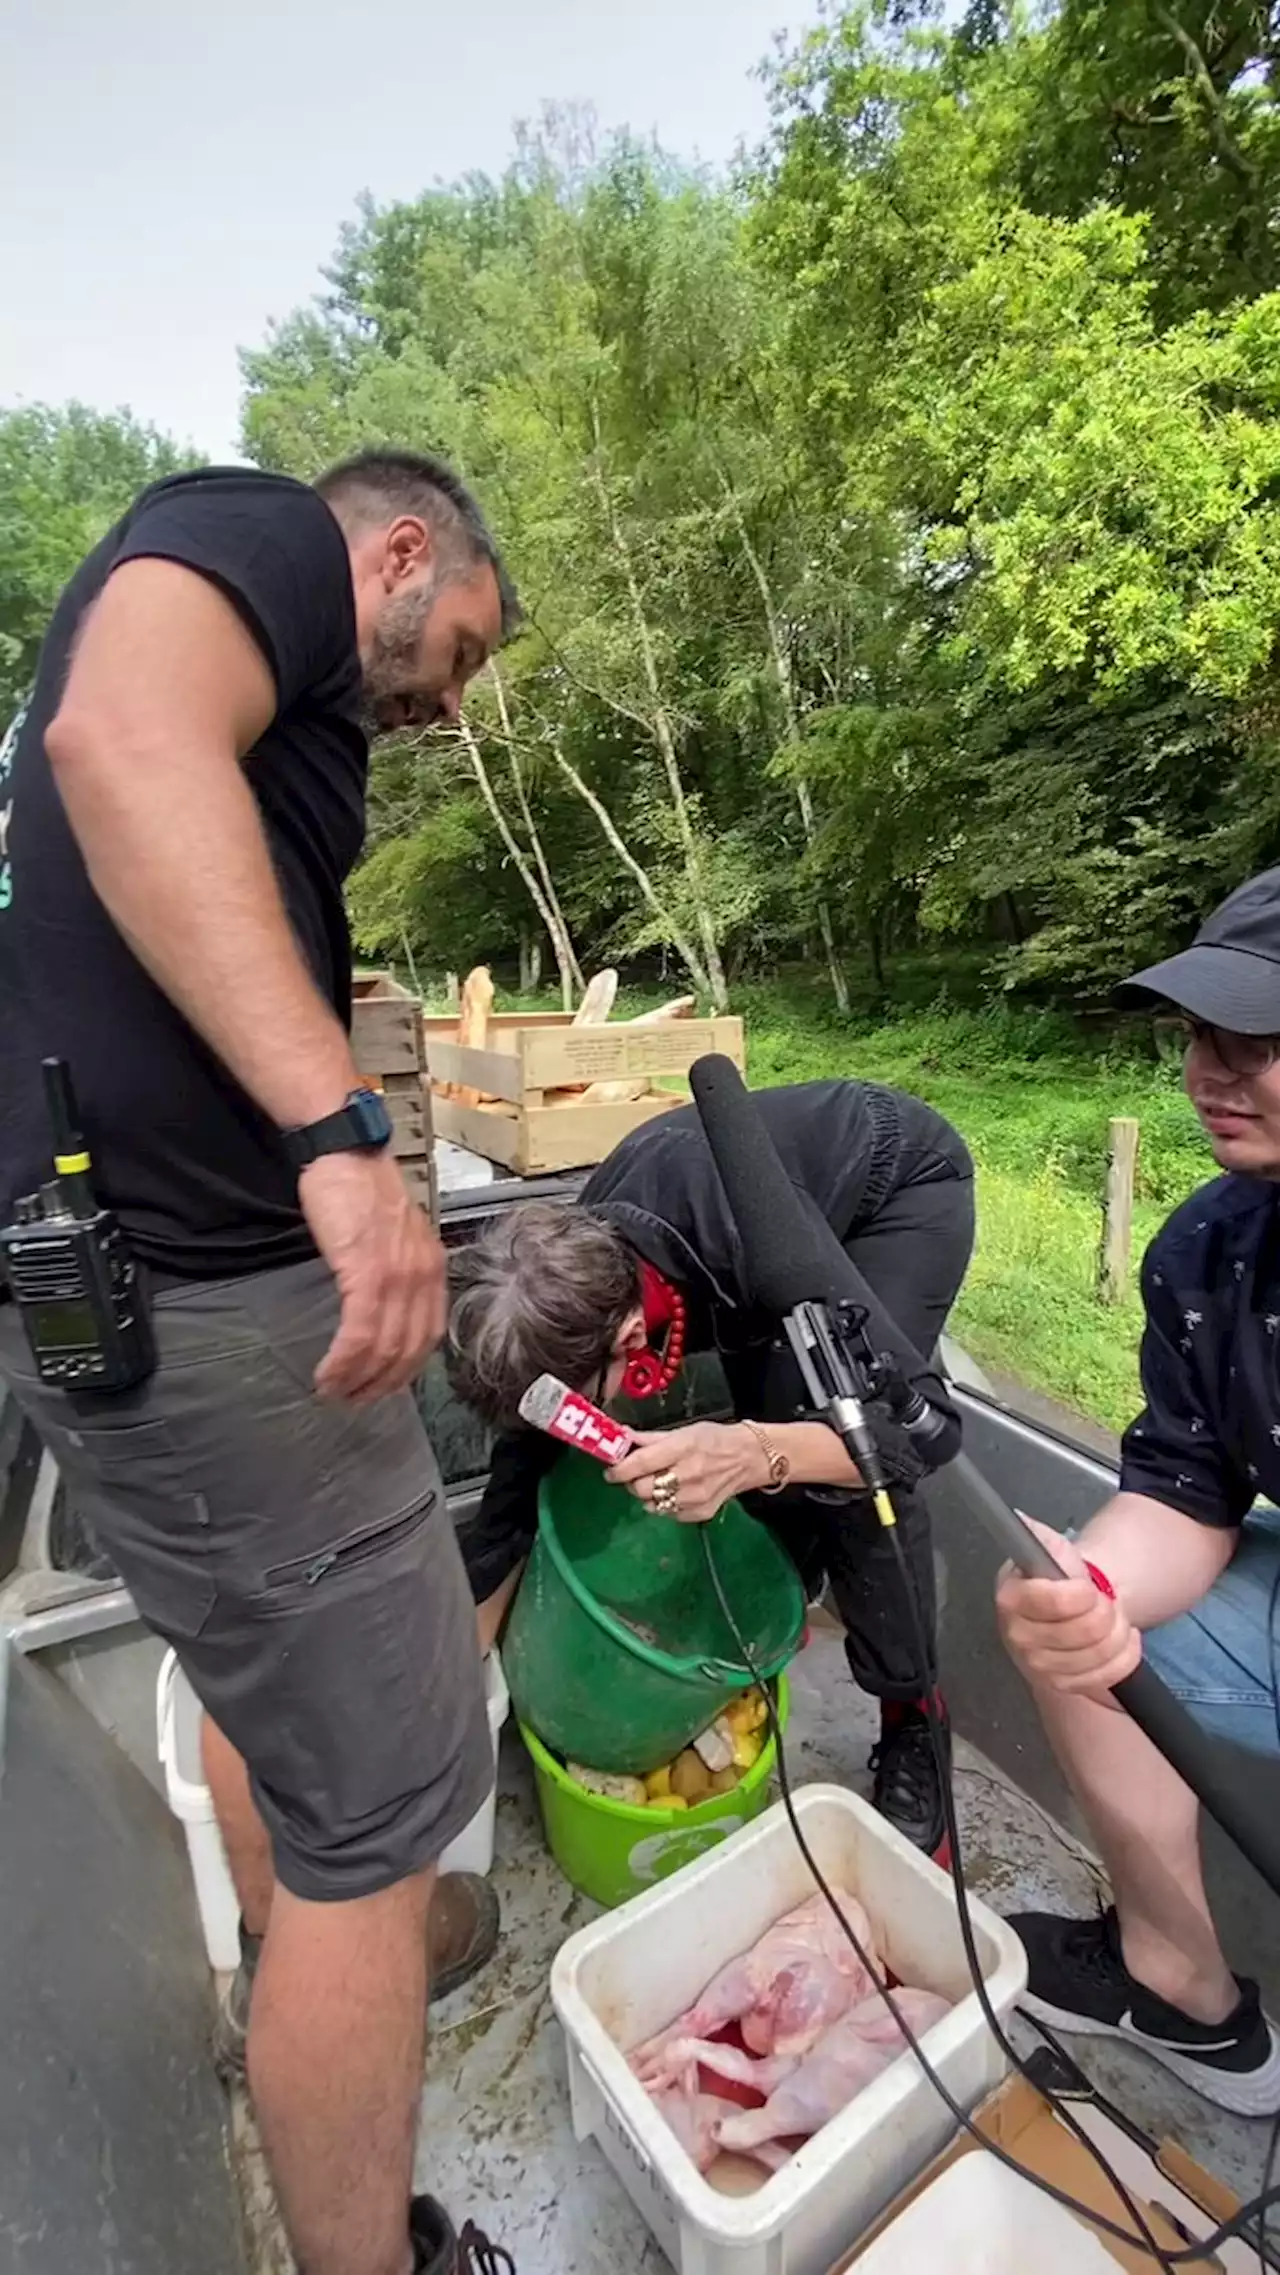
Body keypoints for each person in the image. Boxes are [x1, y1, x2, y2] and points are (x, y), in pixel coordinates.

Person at [0, 451, 520, 2275]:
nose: (448, 707)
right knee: (392, 1815)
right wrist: (335, 1134)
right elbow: (121, 745)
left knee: (271, 1685)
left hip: (140, 1315)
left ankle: (287, 1946)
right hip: (220, 1308)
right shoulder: (249, 533)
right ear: (395, 549)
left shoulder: (277, 671)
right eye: (454, 649)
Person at [448, 1078, 975, 1857]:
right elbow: (523, 1467)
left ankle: (915, 1718)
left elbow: (912, 1437)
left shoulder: (760, 1256)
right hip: (744, 1225)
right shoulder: (565, 1278)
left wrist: (753, 1451)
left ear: (630, 1336)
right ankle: (769, 1615)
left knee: (844, 1472)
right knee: (782, 1444)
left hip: (891, 1187)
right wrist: (464, 1661)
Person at [997, 865, 1280, 2117]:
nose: (1208, 1073)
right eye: (1194, 1037)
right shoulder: (1209, 1250)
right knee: (1058, 1608)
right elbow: (1187, 1488)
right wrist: (1096, 1588)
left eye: (1255, 1041)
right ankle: (1182, 1988)